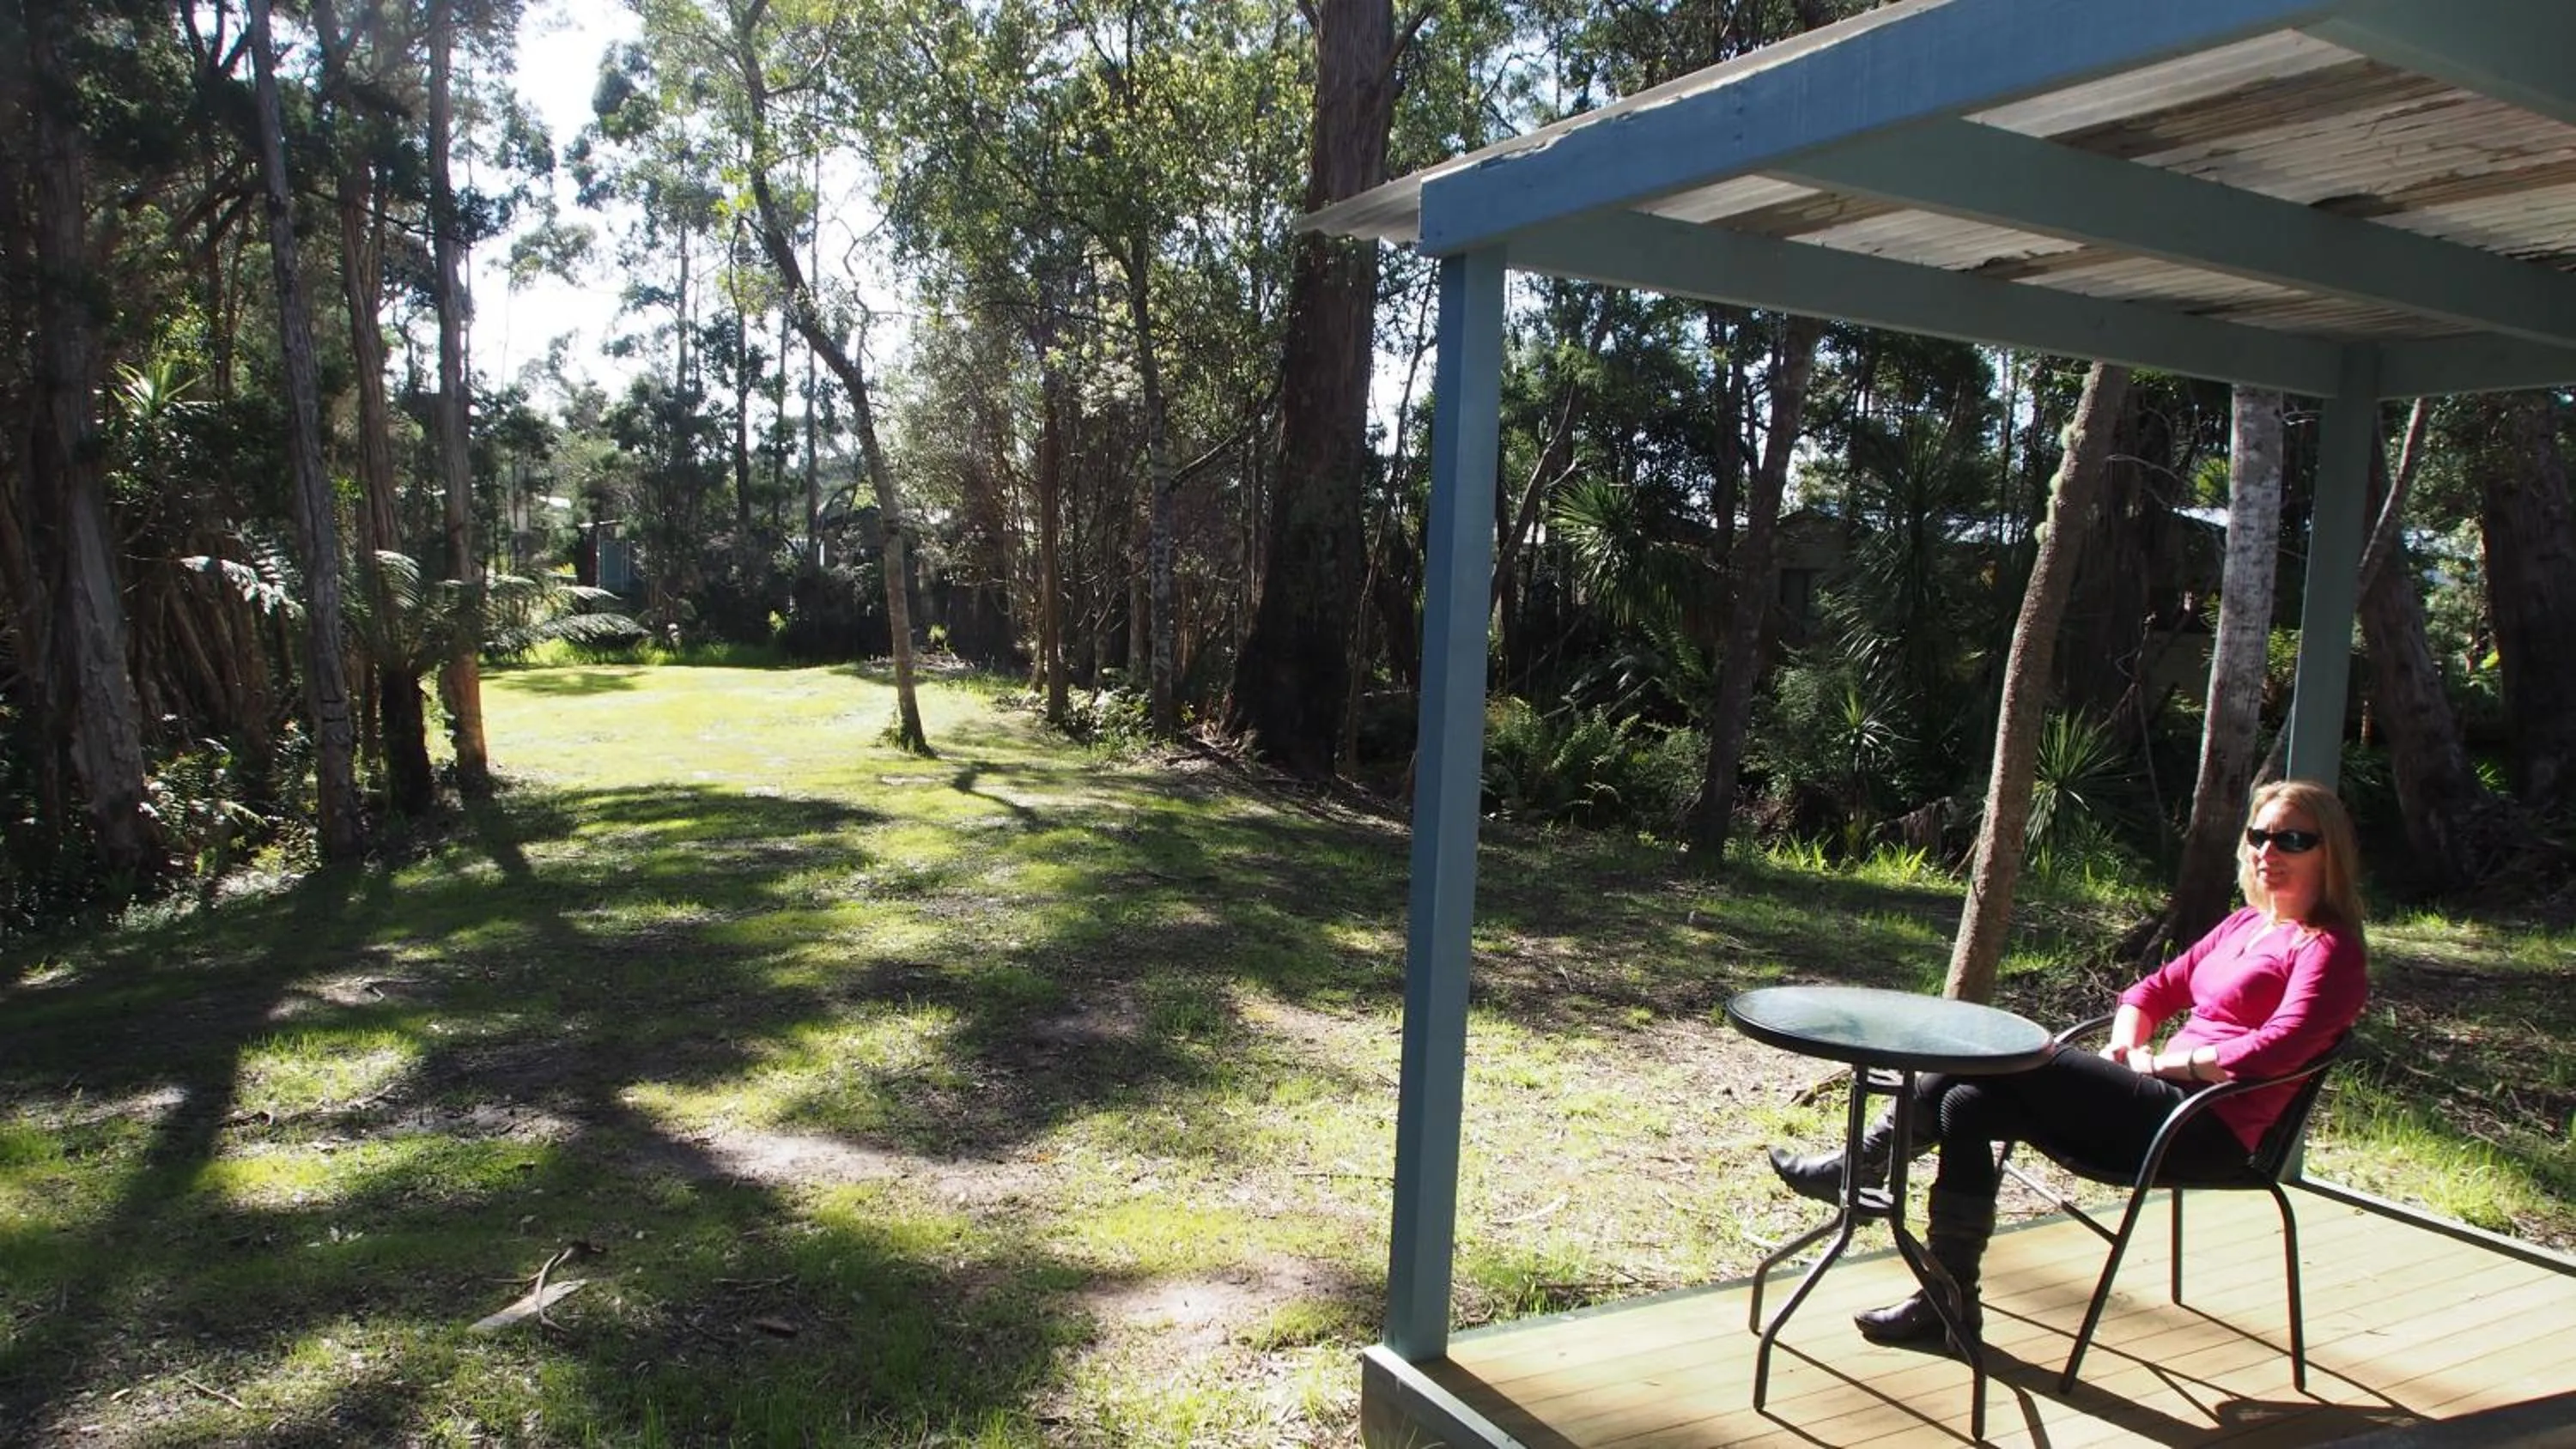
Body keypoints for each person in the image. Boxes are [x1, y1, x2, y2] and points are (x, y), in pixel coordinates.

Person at [1764, 779, 2370, 1348]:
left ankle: (1856, 1168)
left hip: (2203, 1128)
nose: (2270, 850)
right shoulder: (2246, 924)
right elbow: (2150, 992)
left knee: (2001, 1060)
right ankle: (1948, 1300)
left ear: (2329, 851)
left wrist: (2166, 1066)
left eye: (2292, 839)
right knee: (1965, 1103)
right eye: (2259, 835)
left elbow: (2280, 1047)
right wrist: (2127, 1046)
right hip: (2157, 1100)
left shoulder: (2329, 948)